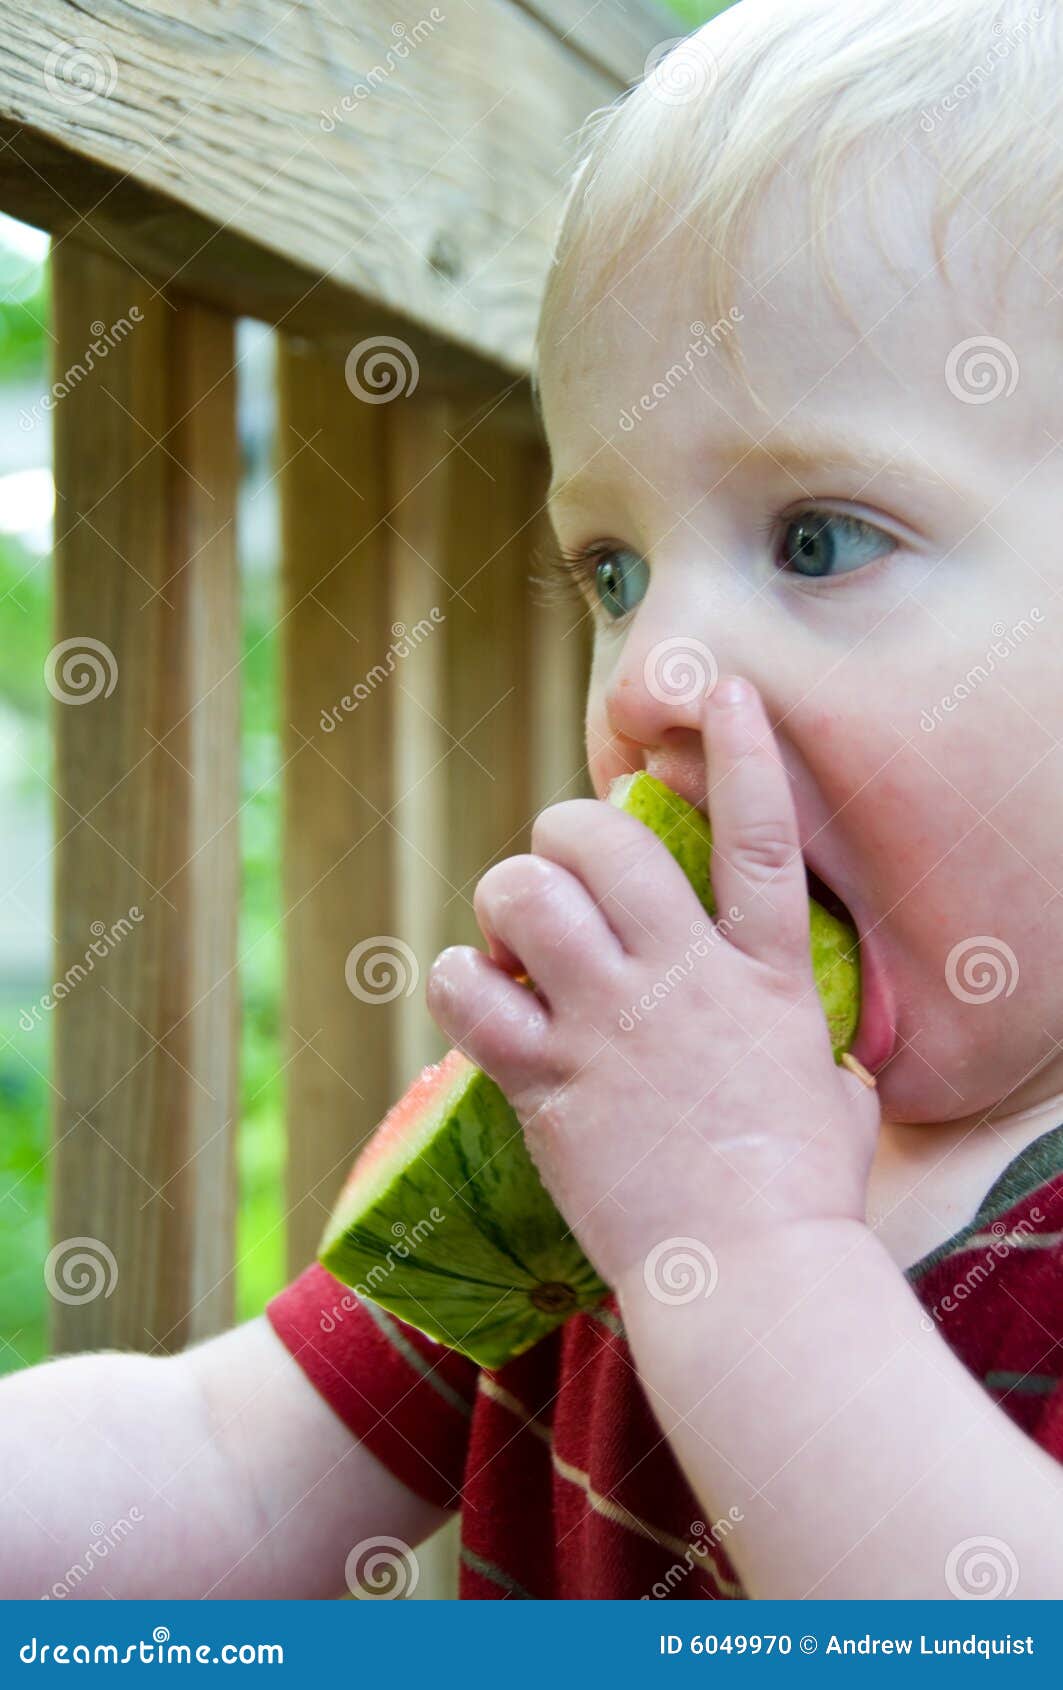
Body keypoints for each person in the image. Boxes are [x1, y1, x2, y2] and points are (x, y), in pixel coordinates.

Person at [6, 0, 1063, 1600]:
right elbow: (223, 1464)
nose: (654, 672)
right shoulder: (593, 1109)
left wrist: (748, 1241)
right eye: (616, 572)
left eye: (819, 539)